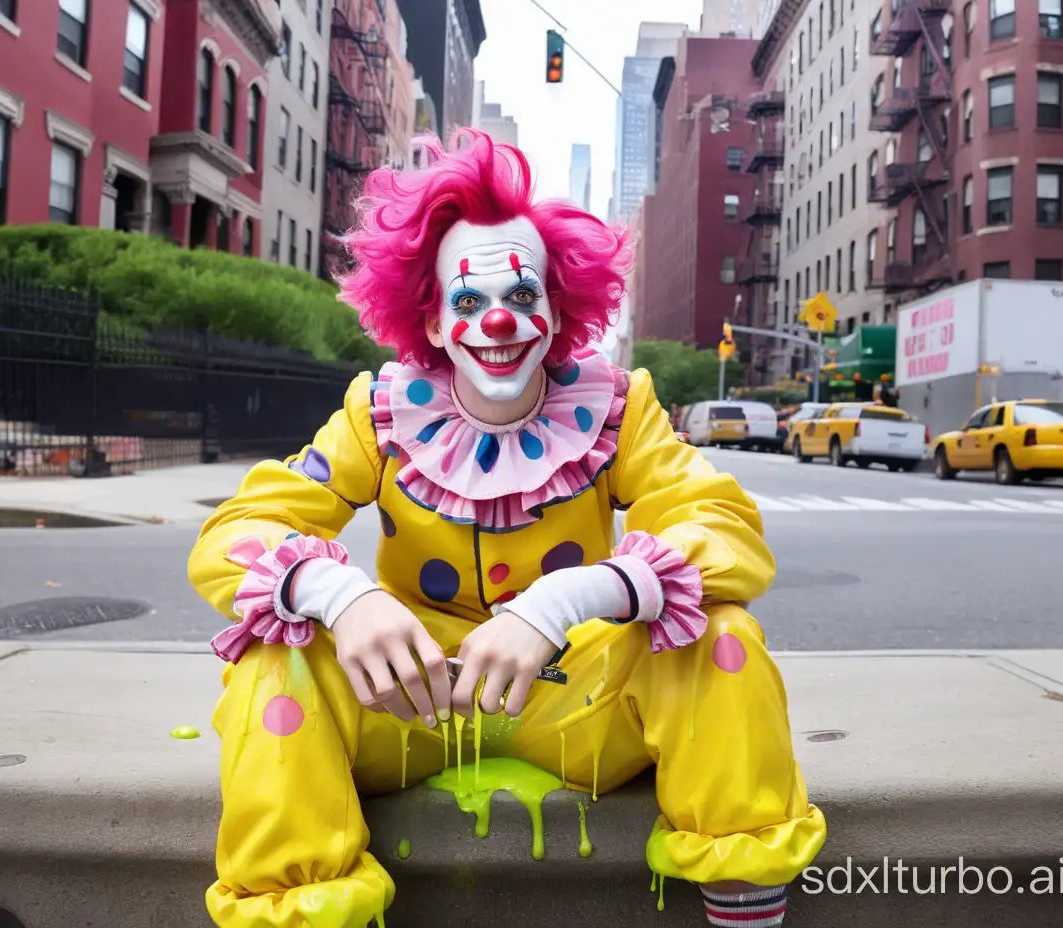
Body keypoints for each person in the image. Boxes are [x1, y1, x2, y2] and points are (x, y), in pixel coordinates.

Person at [188, 130, 825, 928]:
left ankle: (746, 905)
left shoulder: (619, 409)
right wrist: (337, 593)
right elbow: (236, 532)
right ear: (431, 322)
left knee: (720, 635)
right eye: (468, 300)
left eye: (523, 297)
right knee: (273, 661)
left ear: (558, 308)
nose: (498, 322)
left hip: (573, 707)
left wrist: (571, 598)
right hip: (410, 705)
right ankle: (303, 912)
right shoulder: (377, 414)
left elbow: (724, 529)